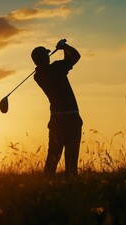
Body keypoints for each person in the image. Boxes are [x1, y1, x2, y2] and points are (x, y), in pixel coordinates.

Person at [31, 39, 83, 176]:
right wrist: (64, 47)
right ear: (46, 58)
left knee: (52, 159)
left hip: (56, 121)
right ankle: (69, 189)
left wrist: (63, 50)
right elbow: (75, 56)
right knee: (71, 162)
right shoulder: (57, 68)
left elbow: (68, 61)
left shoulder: (38, 76)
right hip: (71, 119)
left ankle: (47, 189)